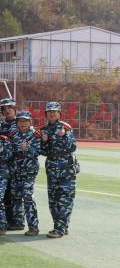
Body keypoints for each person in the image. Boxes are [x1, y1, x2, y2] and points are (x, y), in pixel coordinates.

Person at [40, 102, 78, 238]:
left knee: (65, 199)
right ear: (46, 114)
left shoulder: (65, 127)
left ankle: (60, 229)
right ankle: (62, 225)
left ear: (59, 113)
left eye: (54, 111)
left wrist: (64, 136)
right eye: (49, 111)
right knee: (53, 200)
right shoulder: (43, 130)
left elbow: (72, 146)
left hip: (66, 167)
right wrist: (44, 141)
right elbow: (43, 151)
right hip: (52, 168)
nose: (51, 113)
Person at [9, 111, 41, 236]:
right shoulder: (13, 135)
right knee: (15, 195)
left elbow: (38, 152)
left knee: (27, 196)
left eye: (25, 121)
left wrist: (27, 148)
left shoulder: (35, 135)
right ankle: (18, 222)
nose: (22, 123)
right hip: (16, 168)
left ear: (30, 122)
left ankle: (33, 226)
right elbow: (10, 150)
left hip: (29, 169)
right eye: (20, 121)